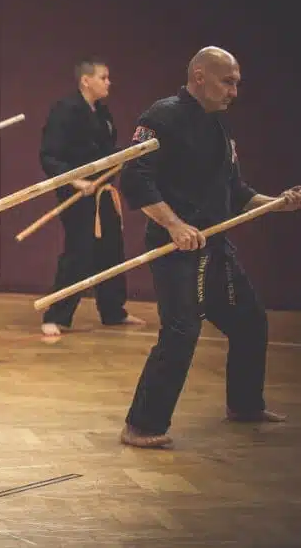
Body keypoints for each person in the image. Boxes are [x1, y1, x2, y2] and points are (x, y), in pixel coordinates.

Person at [118, 46, 301, 448]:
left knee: (250, 322)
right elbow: (134, 179)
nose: (234, 91)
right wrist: (174, 225)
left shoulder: (219, 127)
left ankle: (245, 405)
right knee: (182, 331)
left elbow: (234, 191)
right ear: (199, 76)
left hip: (214, 243)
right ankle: (142, 426)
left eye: (237, 83)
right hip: (177, 249)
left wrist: (276, 203)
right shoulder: (161, 117)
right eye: (227, 81)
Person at [38, 57, 145, 336]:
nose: (109, 82)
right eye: (103, 77)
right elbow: (49, 156)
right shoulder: (65, 110)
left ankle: (113, 311)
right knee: (79, 251)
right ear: (86, 80)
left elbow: (106, 154)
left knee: (111, 250)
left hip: (103, 192)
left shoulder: (102, 113)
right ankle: (56, 315)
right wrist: (76, 181)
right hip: (76, 193)